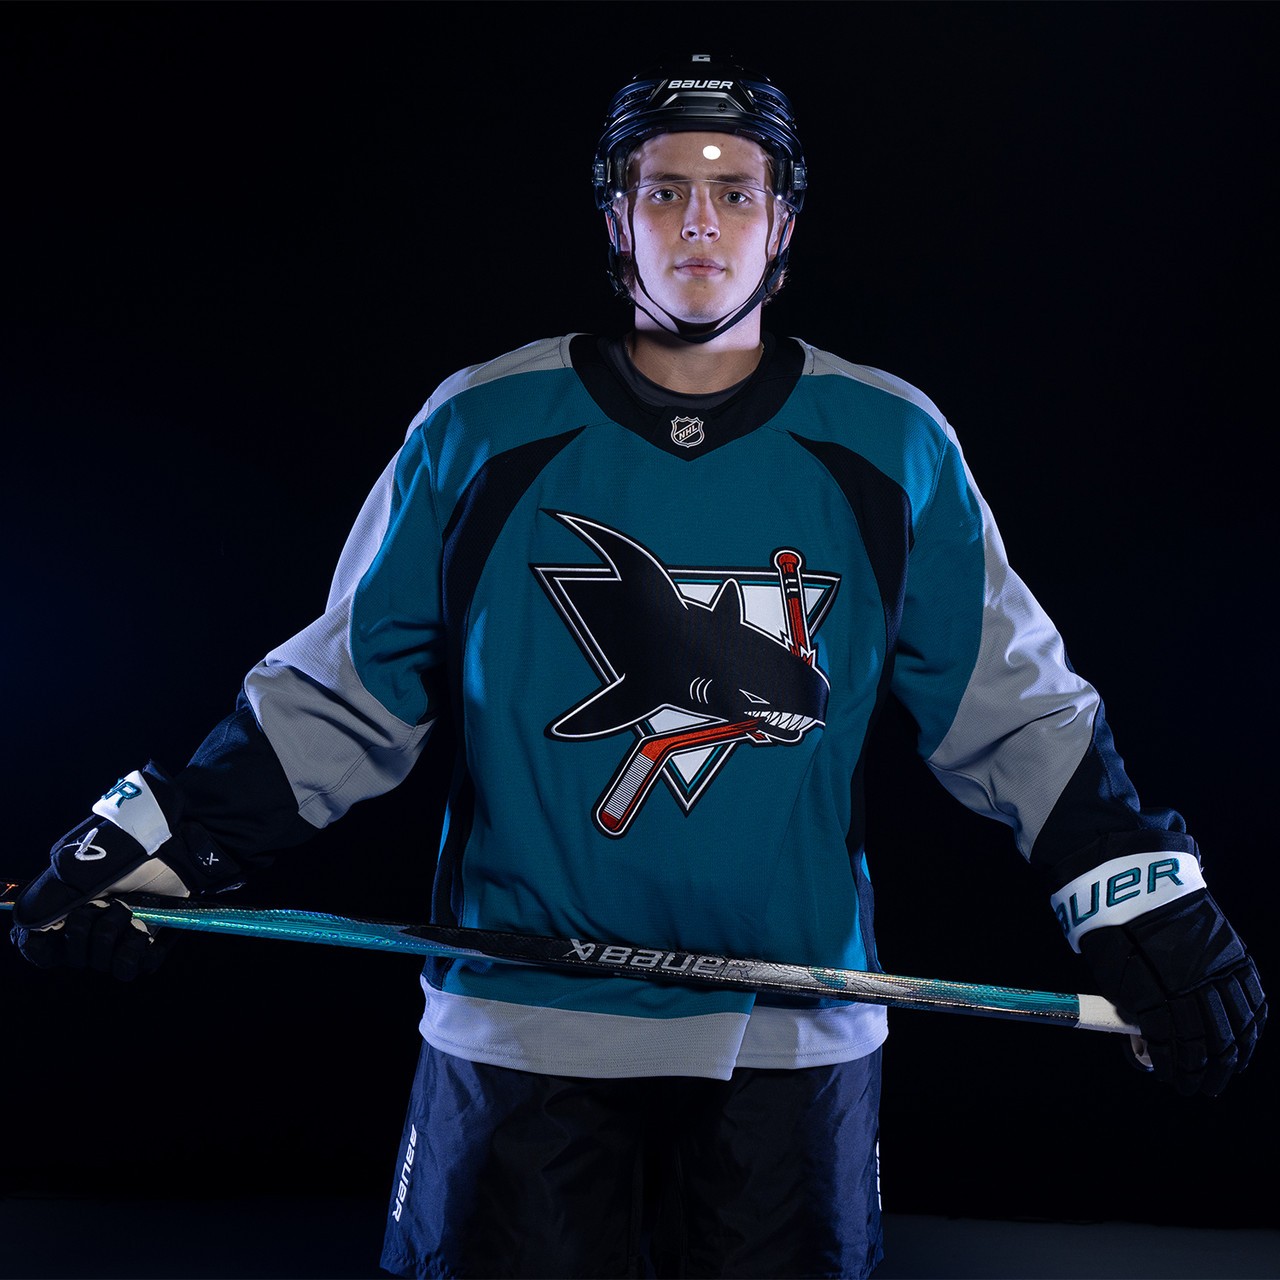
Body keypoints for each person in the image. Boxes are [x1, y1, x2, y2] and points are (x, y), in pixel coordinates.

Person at [9, 53, 1266, 1280]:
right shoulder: (482, 424)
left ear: (782, 220)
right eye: (664, 189)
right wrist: (166, 841)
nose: (698, 223)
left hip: (791, 1043)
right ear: (616, 218)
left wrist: (1136, 893)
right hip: (519, 1026)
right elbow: (345, 692)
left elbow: (1014, 707)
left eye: (734, 190)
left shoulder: (888, 440)